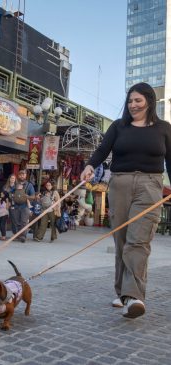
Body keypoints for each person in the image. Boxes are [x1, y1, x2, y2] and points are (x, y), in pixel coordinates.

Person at [80, 82, 171, 319]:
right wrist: (90, 165)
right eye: (130, 101)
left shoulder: (164, 129)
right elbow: (102, 149)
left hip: (150, 186)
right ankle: (122, 293)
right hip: (119, 184)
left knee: (138, 242)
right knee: (122, 241)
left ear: (150, 101)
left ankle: (134, 297)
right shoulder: (119, 127)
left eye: (138, 100)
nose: (133, 105)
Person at [12, 169, 35, 243]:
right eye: (20, 174)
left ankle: (23, 236)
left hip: (25, 206)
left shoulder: (29, 185)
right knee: (16, 222)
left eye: (23, 174)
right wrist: (13, 196)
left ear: (25, 175)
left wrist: (27, 196)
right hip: (16, 206)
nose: (22, 176)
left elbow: (33, 196)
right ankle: (18, 235)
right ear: (18, 176)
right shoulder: (15, 185)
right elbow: (10, 193)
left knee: (24, 222)